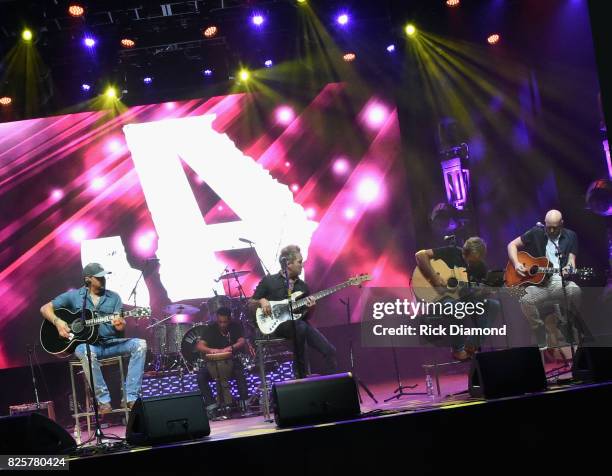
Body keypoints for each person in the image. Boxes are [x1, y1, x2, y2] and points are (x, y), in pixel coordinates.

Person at [40, 263, 147, 413]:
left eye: (104, 277)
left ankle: (131, 397)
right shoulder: (74, 296)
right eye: (99, 277)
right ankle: (103, 401)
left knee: (140, 344)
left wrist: (120, 325)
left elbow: (120, 329)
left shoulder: (114, 297)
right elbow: (45, 308)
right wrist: (58, 322)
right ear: (88, 279)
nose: (103, 279)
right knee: (83, 350)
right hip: (91, 347)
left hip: (111, 344)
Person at [250, 245, 337, 378]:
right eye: (299, 262)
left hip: (299, 325)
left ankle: (333, 385)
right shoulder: (269, 281)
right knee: (300, 326)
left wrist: (312, 307)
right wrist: (261, 301)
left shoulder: (302, 286)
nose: (302, 265)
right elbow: (249, 304)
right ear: (288, 264)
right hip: (277, 326)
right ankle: (299, 373)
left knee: (329, 351)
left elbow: (306, 316)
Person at [415, 236, 500, 361]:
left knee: (493, 305)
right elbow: (420, 255)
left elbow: (477, 290)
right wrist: (435, 278)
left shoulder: (480, 266)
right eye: (465, 254)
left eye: (472, 259)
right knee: (456, 306)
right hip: (439, 298)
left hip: (463, 298)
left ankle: (472, 346)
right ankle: (457, 350)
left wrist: (487, 291)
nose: (466, 259)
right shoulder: (452, 251)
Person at [507, 209, 582, 349]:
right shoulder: (536, 232)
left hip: (558, 281)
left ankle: (566, 323)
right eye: (549, 227)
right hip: (537, 285)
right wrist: (517, 263)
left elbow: (571, 261)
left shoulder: (571, 236)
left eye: (556, 227)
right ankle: (539, 330)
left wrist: (569, 269)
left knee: (575, 291)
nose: (552, 230)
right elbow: (511, 245)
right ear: (544, 223)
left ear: (562, 224)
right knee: (525, 299)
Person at [194, 307, 250, 417]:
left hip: (231, 363)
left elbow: (242, 341)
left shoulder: (235, 327)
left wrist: (231, 348)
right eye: (220, 322)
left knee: (239, 373)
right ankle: (212, 406)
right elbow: (199, 345)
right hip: (213, 365)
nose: (222, 324)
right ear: (216, 320)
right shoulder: (211, 329)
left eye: (225, 322)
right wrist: (211, 350)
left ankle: (244, 403)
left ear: (229, 320)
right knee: (201, 377)